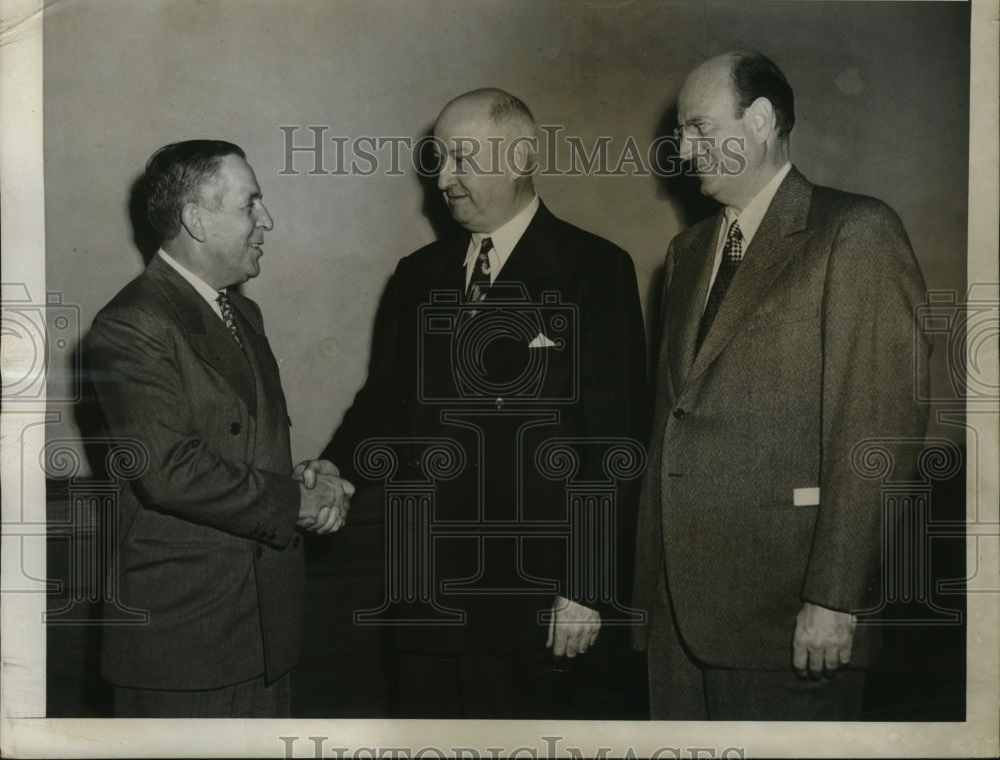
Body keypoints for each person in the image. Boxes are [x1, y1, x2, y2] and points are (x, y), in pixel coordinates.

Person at [314, 89, 648, 718]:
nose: (444, 180)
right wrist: (336, 467)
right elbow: (385, 398)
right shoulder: (418, 274)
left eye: (462, 158)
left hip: (534, 600)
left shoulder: (595, 269)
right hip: (424, 596)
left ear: (521, 155)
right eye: (439, 161)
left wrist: (585, 585)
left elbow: (613, 441)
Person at [631, 50, 931, 720]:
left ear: (761, 119)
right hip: (676, 619)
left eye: (699, 128)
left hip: (790, 617)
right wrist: (646, 599)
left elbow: (876, 428)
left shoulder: (854, 232)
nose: (682, 149)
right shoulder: (685, 255)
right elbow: (671, 426)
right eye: (680, 132)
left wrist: (835, 596)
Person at [87, 140, 354, 717]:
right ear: (197, 219)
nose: (268, 221)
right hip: (186, 639)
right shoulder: (132, 323)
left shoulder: (240, 312)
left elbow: (240, 445)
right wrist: (297, 504)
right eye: (250, 204)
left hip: (264, 626)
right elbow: (169, 470)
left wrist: (298, 477)